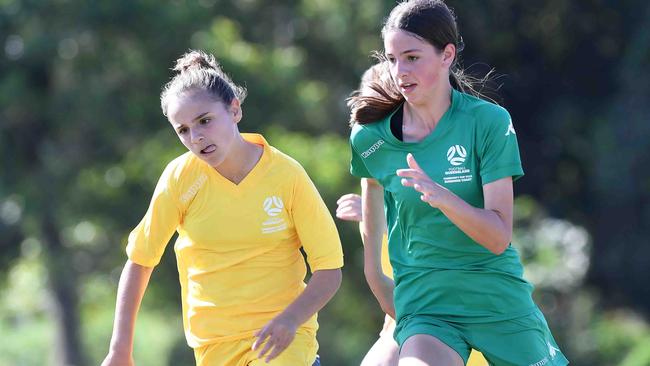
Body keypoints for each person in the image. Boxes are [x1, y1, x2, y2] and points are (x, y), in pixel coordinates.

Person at [347, 1, 568, 365]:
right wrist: (376, 278)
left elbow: (498, 236)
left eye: (412, 57)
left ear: (447, 54)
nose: (400, 71)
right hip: (428, 309)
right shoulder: (370, 140)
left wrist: (444, 198)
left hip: (497, 300)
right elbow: (372, 208)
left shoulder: (489, 122)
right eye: (392, 59)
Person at [101, 50, 343, 366]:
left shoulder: (287, 175)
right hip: (213, 348)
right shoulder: (179, 178)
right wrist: (120, 350)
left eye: (205, 121)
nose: (197, 137)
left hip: (283, 344)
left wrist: (290, 320)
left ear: (234, 111)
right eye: (183, 130)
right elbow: (140, 261)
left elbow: (329, 269)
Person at [337, 62, 488, 366]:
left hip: (456, 314)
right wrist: (371, 217)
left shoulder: (445, 160)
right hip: (402, 319)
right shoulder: (374, 171)